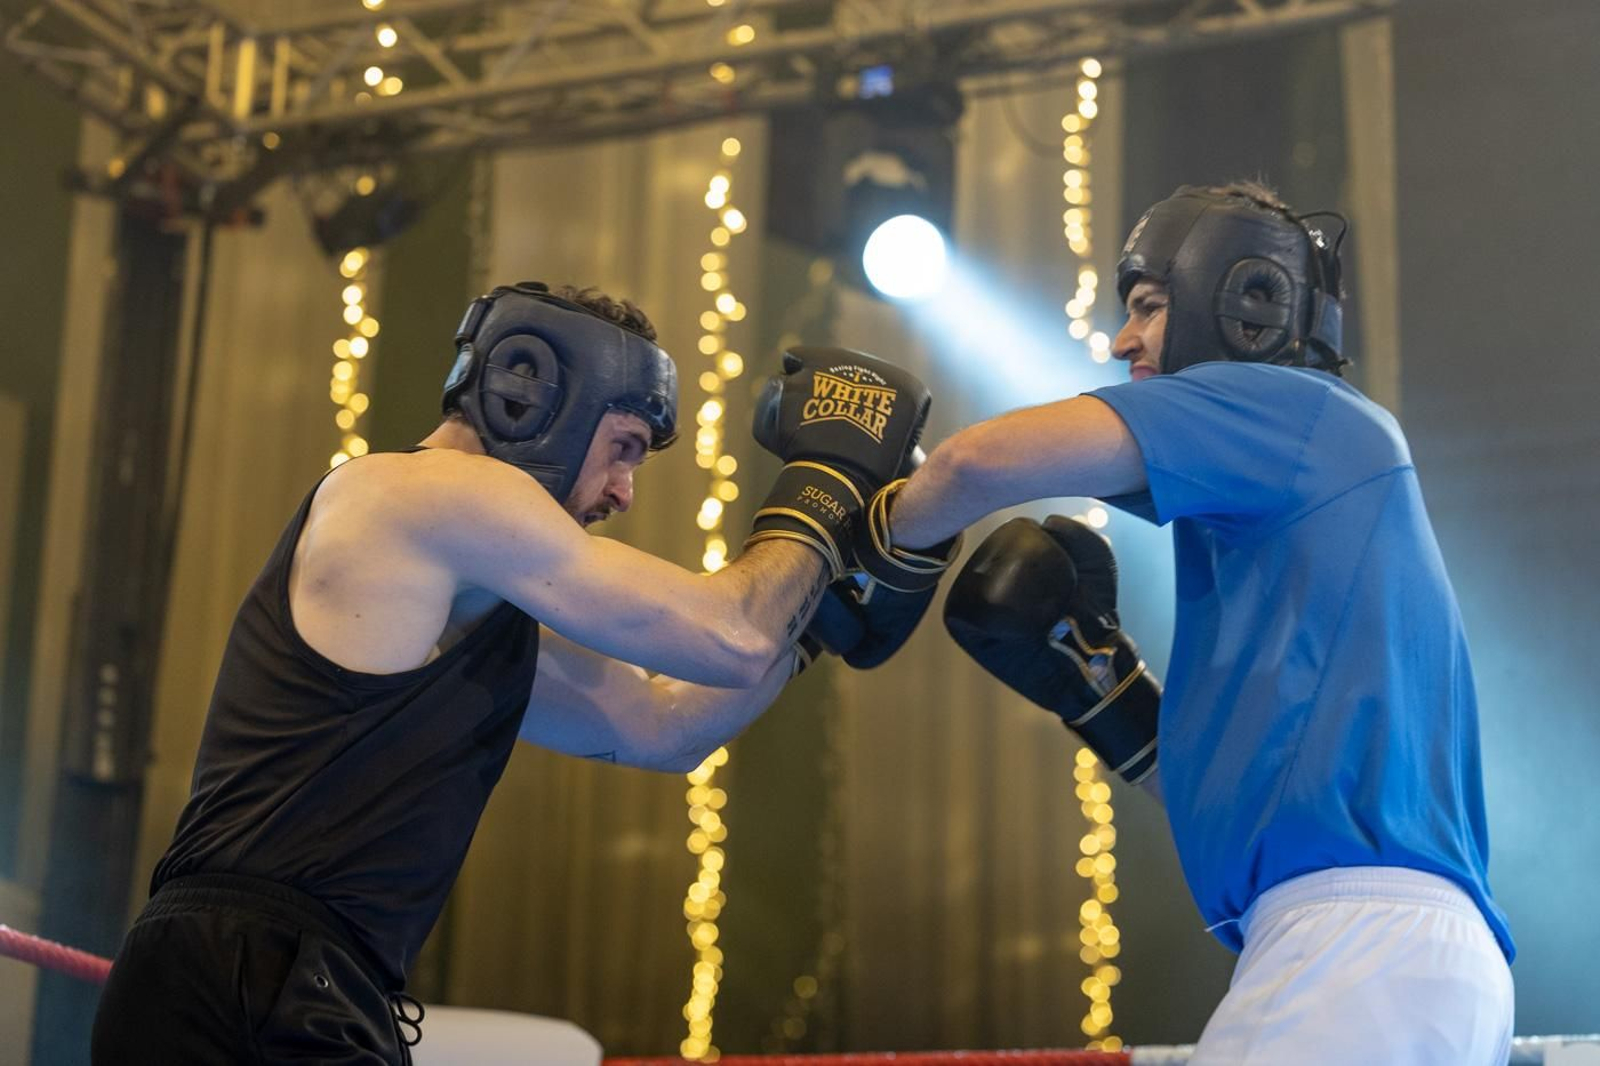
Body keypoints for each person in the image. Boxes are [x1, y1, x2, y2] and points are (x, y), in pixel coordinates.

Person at [90, 282, 946, 1065]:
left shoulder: (453, 593)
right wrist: (829, 483)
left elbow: (664, 727)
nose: (621, 491)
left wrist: (815, 622)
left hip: (273, 981)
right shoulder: (431, 494)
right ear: (529, 391)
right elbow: (727, 635)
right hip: (249, 977)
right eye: (623, 447)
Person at [882, 183, 1516, 1064]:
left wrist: (850, 540)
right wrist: (1104, 692)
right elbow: (1241, 791)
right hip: (1377, 952)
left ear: (1244, 301)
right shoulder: (1293, 493)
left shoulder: (1299, 415)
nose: (1122, 339)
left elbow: (974, 463)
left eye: (1147, 305)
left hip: (1355, 946)